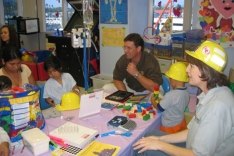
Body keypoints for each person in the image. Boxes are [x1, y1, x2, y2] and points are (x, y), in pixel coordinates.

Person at [133, 40, 234, 156]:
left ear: (206, 70)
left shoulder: (218, 107)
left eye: (191, 66)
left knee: (146, 148)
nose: (187, 70)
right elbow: (191, 132)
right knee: (148, 135)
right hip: (191, 146)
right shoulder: (210, 94)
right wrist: (160, 139)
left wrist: (159, 145)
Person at [151, 62, 189, 134]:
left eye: (170, 79)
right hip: (181, 122)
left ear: (174, 80)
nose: (170, 81)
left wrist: (153, 100)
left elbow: (159, 108)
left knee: (167, 142)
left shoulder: (171, 95)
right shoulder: (186, 93)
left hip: (169, 127)